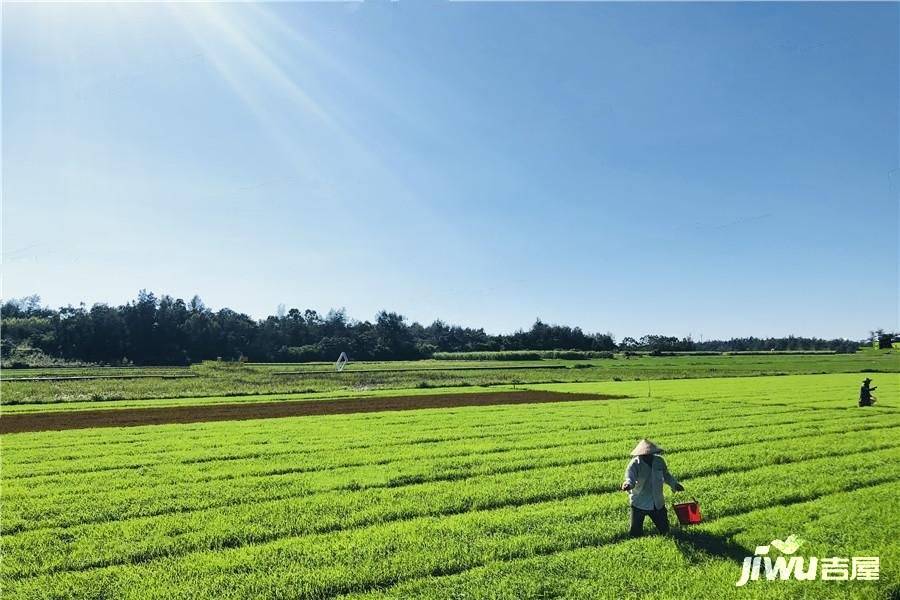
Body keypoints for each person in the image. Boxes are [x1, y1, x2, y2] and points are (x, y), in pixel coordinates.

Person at [621, 438, 684, 537]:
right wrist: (628, 484)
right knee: (635, 533)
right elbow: (630, 478)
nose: (647, 456)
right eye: (645, 455)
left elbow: (666, 475)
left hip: (657, 502)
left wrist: (674, 484)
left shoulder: (659, 461)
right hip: (639, 502)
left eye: (649, 454)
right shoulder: (635, 464)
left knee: (665, 530)